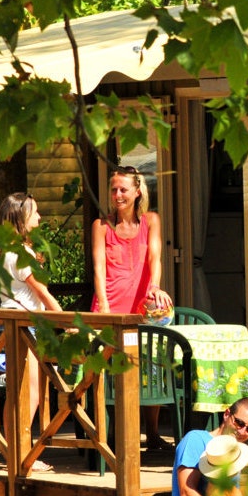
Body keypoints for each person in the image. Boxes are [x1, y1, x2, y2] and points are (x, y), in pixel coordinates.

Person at [91, 164, 173, 450]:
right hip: (110, 307)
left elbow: (155, 258)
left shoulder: (151, 220)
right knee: (111, 373)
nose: (117, 195)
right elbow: (98, 269)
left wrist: (155, 286)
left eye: (123, 189)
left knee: (150, 367)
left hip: (141, 309)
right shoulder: (101, 226)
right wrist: (103, 306)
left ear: (137, 192)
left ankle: (152, 434)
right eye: (113, 189)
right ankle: (112, 436)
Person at [0, 193, 65, 473]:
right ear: (21, 218)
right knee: (30, 392)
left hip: (12, 324)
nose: (39, 217)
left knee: (17, 392)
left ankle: (13, 451)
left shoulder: (5, 250)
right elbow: (42, 292)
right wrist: (66, 321)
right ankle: (23, 453)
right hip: (23, 326)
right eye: (35, 212)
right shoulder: (20, 253)